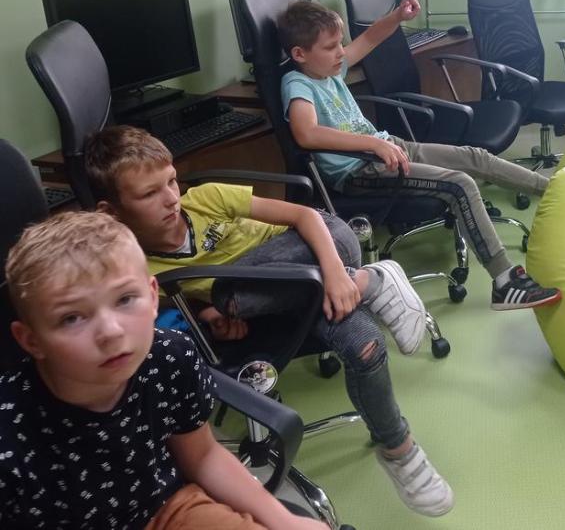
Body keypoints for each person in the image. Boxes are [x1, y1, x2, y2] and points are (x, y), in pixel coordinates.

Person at [84, 126, 454, 517]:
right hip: (278, 303)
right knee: (365, 346)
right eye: (149, 194)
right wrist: (208, 315)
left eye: (172, 181)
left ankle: (364, 281)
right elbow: (172, 317)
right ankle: (399, 446)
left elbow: (306, 216)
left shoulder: (205, 198)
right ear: (112, 213)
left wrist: (335, 274)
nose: (171, 198)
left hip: (321, 246)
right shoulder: (138, 268)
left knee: (230, 292)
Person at [1, 212, 326, 529]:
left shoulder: (169, 357)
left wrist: (284, 520)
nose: (111, 332)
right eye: (72, 318)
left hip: (167, 509)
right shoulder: (10, 432)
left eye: (125, 299)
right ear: (31, 340)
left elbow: (202, 456)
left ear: (153, 296)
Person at [278, 0, 560, 312]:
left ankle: (556, 191)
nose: (341, 52)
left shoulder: (331, 70)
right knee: (459, 184)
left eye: (340, 43)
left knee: (475, 156)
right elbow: (306, 133)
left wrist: (397, 16)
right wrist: (371, 144)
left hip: (389, 147)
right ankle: (505, 282)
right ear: (300, 54)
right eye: (331, 47)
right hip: (360, 170)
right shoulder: (297, 83)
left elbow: (369, 38)